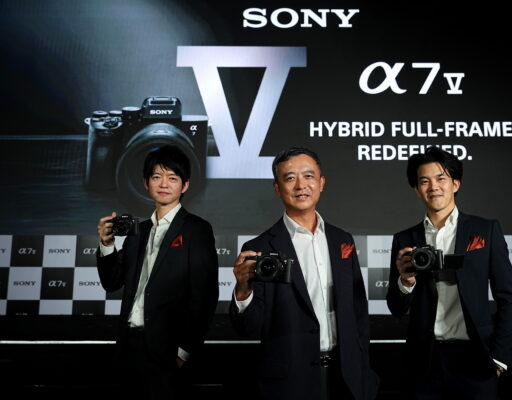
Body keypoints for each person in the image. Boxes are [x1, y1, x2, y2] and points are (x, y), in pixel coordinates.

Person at [229, 147, 379, 400]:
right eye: (290, 178)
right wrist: (243, 288)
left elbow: (358, 311)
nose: (301, 185)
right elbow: (249, 328)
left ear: (321, 183)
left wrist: (363, 368)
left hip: (348, 377)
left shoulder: (342, 240)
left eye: (308, 176)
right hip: (289, 383)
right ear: (277, 188)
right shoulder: (259, 248)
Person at [386, 146, 512, 399]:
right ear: (416, 190)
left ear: (455, 184)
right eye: (424, 181)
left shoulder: (486, 230)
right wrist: (406, 281)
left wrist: (500, 357)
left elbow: (508, 299)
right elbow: (396, 307)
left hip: (477, 360)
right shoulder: (405, 239)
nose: (433, 187)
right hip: (425, 363)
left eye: (441, 178)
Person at [96, 145, 218, 399]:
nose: (164, 184)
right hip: (129, 346)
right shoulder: (137, 231)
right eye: (156, 177)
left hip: (168, 351)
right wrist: (107, 245)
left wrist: (184, 351)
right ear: (145, 183)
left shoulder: (197, 229)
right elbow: (111, 282)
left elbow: (205, 296)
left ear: (185, 185)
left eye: (172, 178)